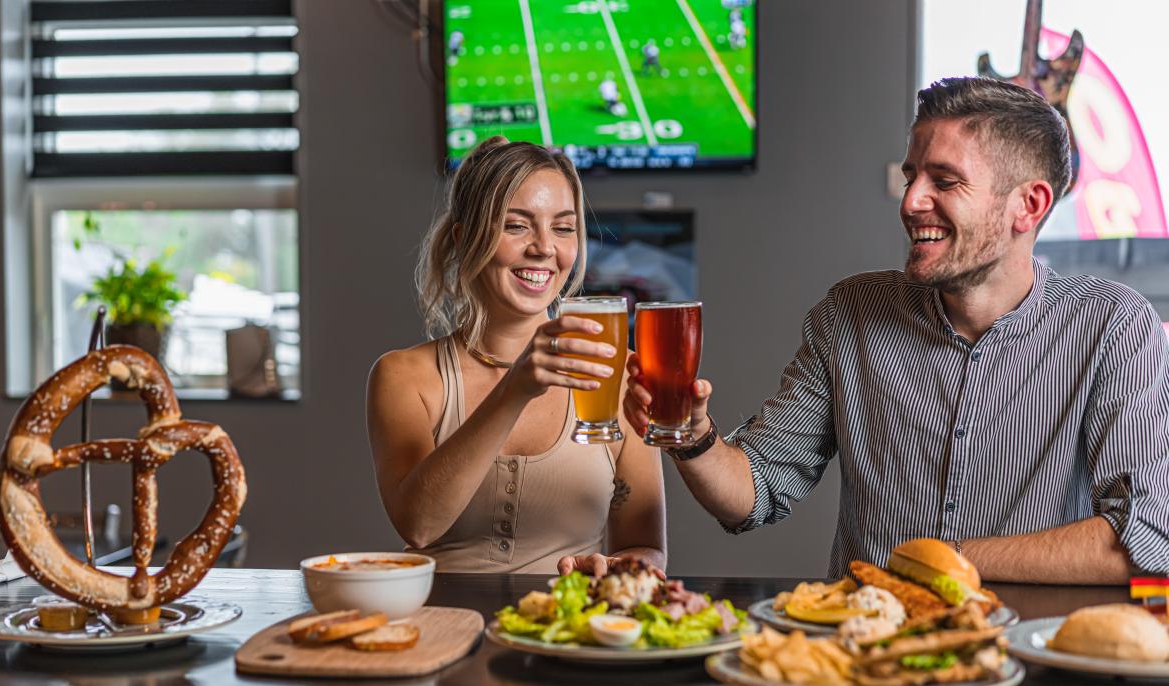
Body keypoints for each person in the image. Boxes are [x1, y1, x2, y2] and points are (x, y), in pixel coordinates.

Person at [623, 76, 1169, 585]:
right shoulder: (851, 312)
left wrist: (941, 562)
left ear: (1028, 205)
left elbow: (1145, 538)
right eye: (911, 176)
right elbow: (755, 489)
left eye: (945, 181)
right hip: (866, 664)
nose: (910, 202)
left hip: (1025, 660)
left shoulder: (1114, 326)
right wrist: (693, 439)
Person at [367, 134, 666, 578]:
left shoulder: (618, 373)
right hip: (441, 629)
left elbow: (644, 547)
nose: (545, 247)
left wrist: (615, 571)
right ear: (466, 239)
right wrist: (516, 389)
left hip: (568, 632)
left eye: (563, 227)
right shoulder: (403, 376)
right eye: (517, 225)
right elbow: (419, 525)